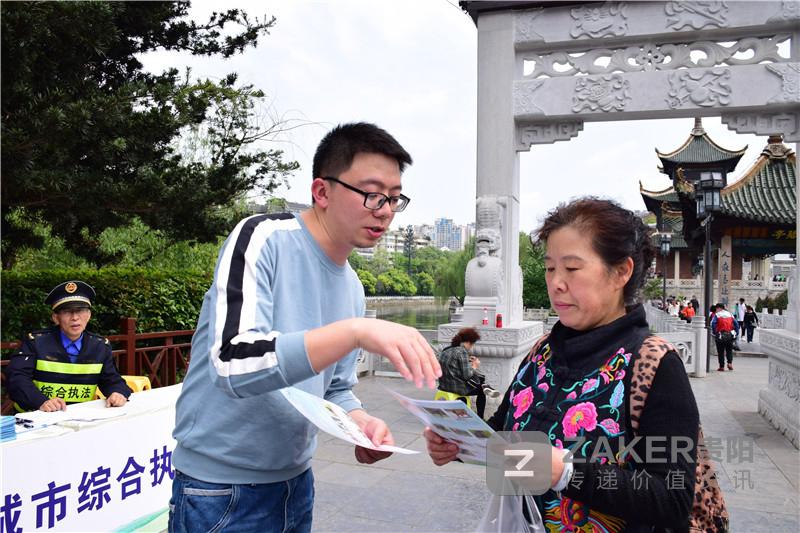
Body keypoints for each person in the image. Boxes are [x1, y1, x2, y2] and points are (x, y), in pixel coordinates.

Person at [169, 122, 441, 533]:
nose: (384, 209)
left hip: (296, 483)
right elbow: (231, 362)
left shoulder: (352, 285)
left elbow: (335, 388)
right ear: (322, 191)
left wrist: (361, 422)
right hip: (220, 489)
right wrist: (354, 331)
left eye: (393, 198)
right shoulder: (263, 237)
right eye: (371, 193)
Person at [426, 198, 700, 531]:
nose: (556, 282)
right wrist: (460, 443)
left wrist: (567, 472)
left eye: (571, 268)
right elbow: (503, 432)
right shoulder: (542, 353)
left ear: (621, 272)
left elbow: (672, 497)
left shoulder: (654, 365)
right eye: (549, 267)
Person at [6, 281, 132, 412]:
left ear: (89, 315)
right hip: (35, 419)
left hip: (81, 419)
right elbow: (16, 378)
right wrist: (41, 401)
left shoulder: (100, 346)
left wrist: (117, 392)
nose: (75, 318)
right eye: (67, 312)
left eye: (81, 311)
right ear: (56, 318)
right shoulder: (36, 343)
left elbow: (112, 380)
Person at [436, 327, 500, 419]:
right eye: (472, 344)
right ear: (469, 342)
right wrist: (475, 365)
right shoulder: (462, 352)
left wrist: (467, 360)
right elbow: (467, 376)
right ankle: (480, 417)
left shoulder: (447, 350)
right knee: (481, 391)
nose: (472, 347)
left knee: (480, 381)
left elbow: (452, 366)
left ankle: (485, 385)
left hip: (443, 385)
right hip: (456, 388)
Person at [711, 303, 739, 371]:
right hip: (729, 335)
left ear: (719, 308)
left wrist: (715, 332)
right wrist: (736, 333)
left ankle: (722, 366)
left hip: (720, 335)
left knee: (720, 351)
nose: (716, 310)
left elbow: (713, 324)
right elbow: (736, 324)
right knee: (729, 350)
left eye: (717, 308)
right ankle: (729, 363)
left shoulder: (717, 315)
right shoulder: (730, 314)